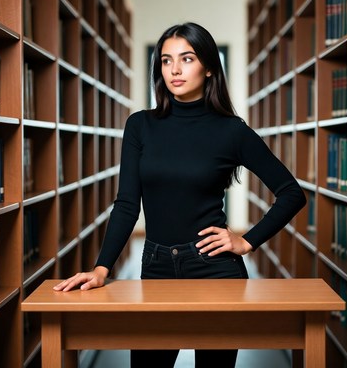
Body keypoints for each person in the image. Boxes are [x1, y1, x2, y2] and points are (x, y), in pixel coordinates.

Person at [53, 22, 306, 367]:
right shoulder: (140, 125)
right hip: (155, 266)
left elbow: (291, 193)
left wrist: (247, 242)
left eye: (186, 59)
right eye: (166, 60)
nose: (174, 69)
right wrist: (101, 269)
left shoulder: (232, 131)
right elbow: (127, 205)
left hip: (215, 269)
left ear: (209, 67)